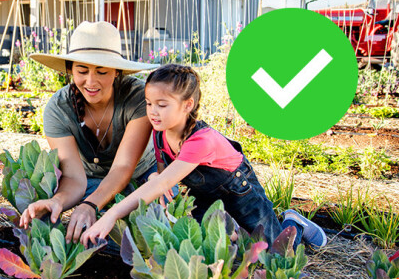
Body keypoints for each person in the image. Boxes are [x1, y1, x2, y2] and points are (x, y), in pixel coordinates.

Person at [80, 64, 326, 249]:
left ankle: (295, 225)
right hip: (204, 194)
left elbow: (163, 182)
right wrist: (157, 175)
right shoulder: (160, 133)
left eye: (162, 105)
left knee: (276, 251)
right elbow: (163, 174)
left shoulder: (201, 140)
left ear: (187, 105)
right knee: (205, 246)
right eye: (148, 103)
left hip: (239, 190)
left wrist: (112, 214)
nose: (152, 112)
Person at [19, 21, 162, 242]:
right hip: (90, 181)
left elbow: (124, 167)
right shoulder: (59, 108)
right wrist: (58, 201)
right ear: (70, 70)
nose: (91, 81)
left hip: (140, 175)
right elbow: (75, 178)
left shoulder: (137, 97)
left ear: (117, 72)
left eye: (102, 71)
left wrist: (90, 204)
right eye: (82, 71)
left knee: (150, 227)